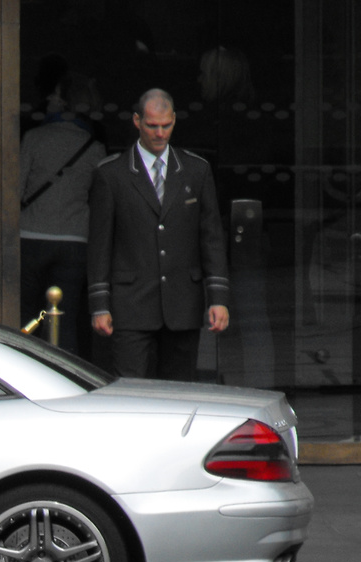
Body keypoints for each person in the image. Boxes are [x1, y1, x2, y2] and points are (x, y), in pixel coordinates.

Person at [87, 89, 229, 381]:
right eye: (152, 125)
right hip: (130, 304)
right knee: (131, 392)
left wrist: (218, 298)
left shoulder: (195, 170)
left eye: (166, 125)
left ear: (174, 120)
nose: (160, 133)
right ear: (137, 121)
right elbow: (100, 245)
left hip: (183, 302)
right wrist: (100, 304)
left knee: (179, 392)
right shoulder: (111, 174)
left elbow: (211, 237)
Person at [19, 71, 105, 359]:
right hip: (74, 241)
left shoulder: (32, 138)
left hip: (30, 237)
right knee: (63, 320)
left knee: (26, 318)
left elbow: (15, 192)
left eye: (54, 95)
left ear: (62, 102)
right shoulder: (95, 149)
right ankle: (64, 375)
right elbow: (98, 201)